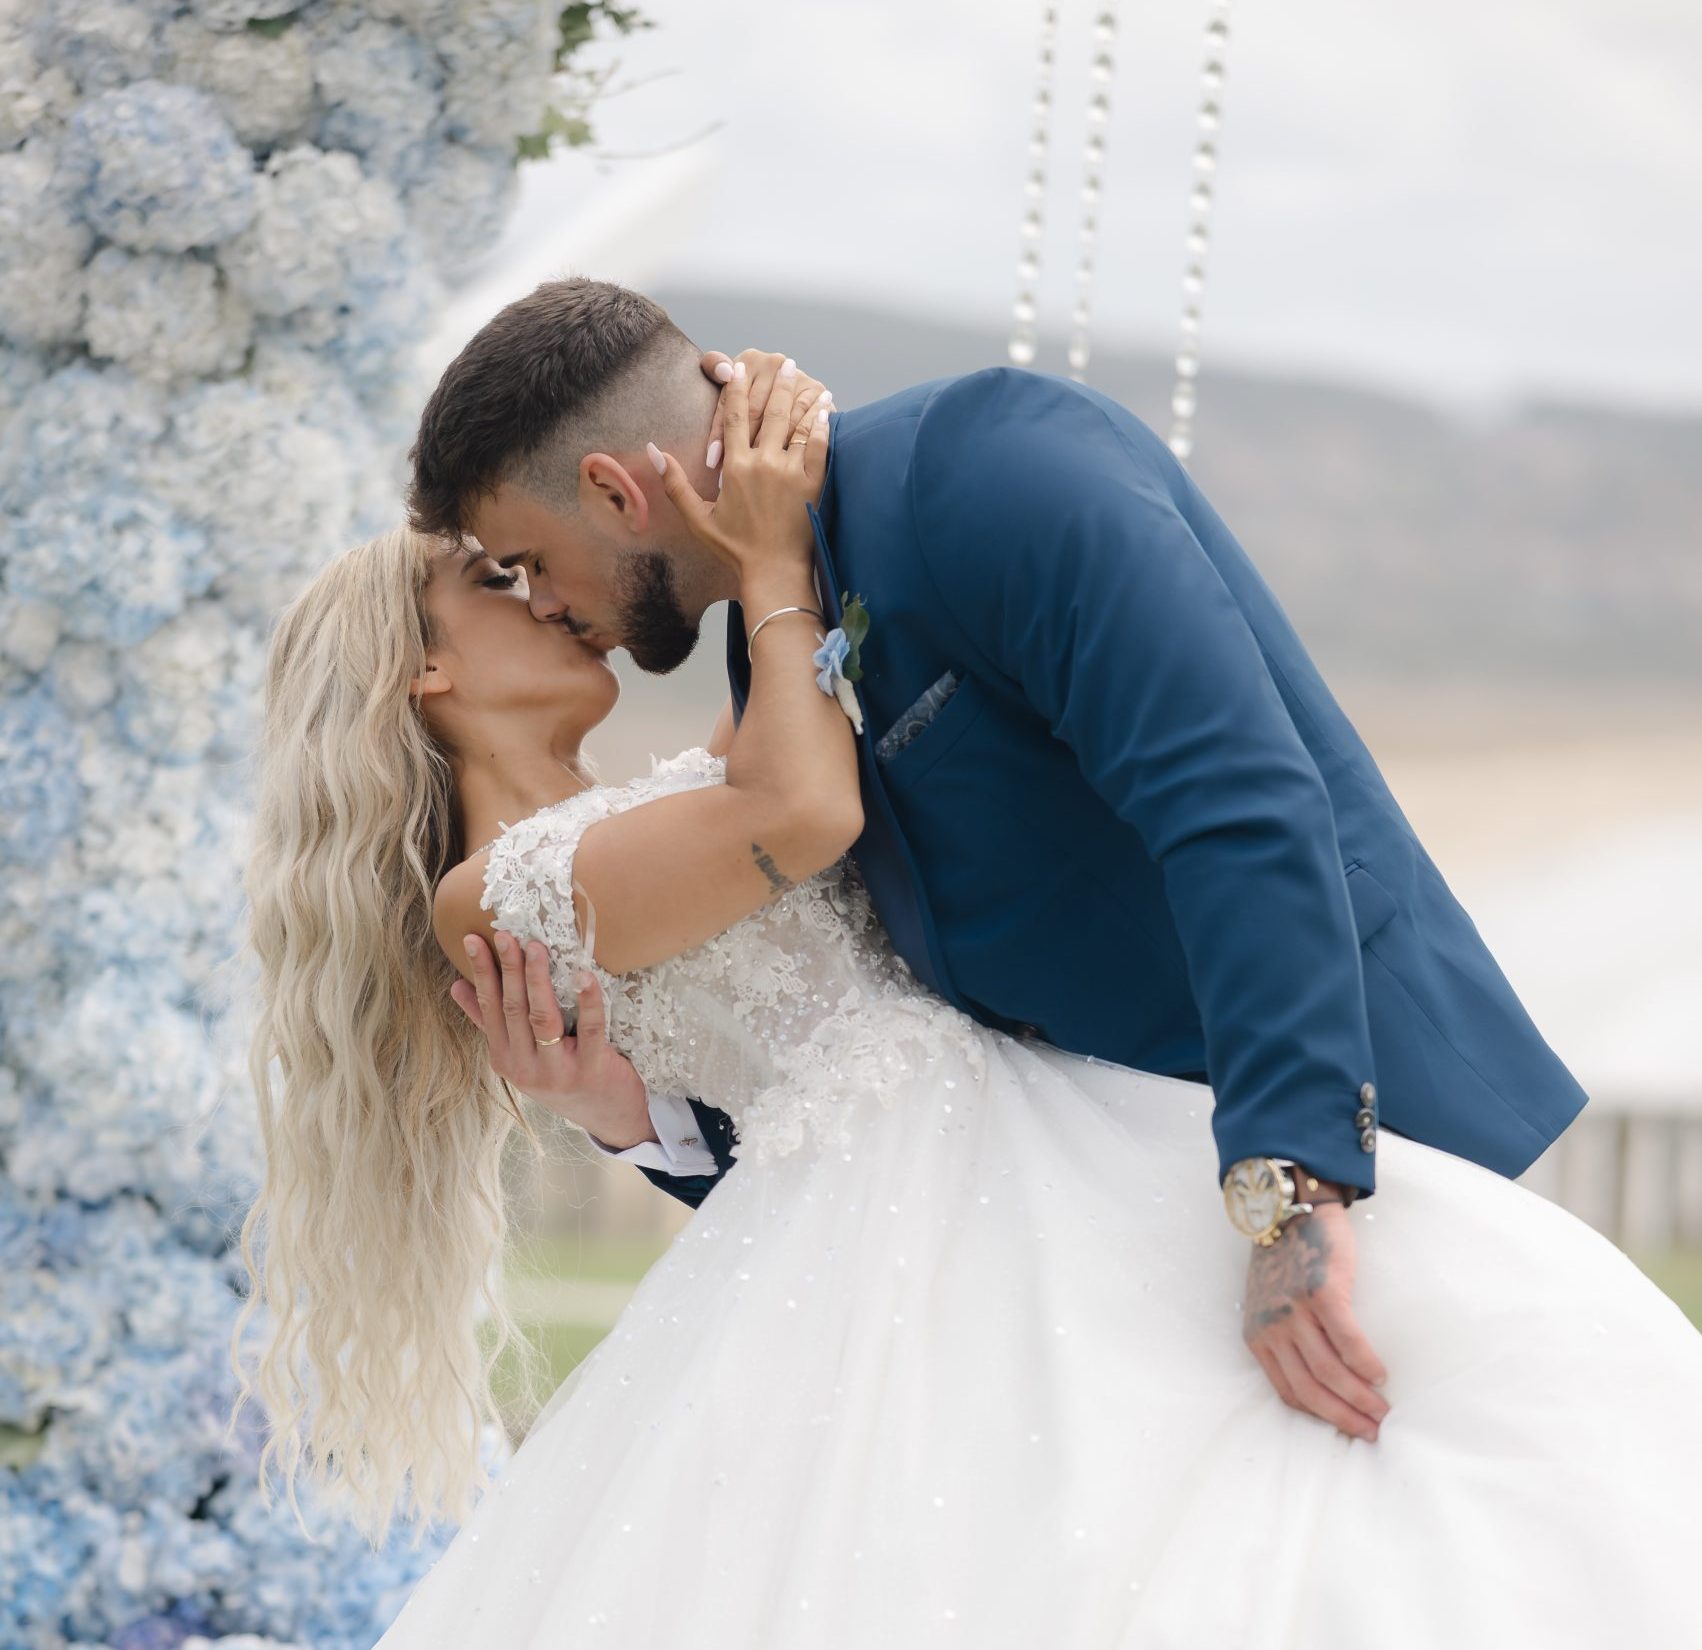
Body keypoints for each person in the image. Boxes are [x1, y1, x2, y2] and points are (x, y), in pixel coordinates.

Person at [236, 348, 1702, 1648]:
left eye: (523, 559)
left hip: (1085, 1161)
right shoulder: (540, 864)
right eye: (495, 583)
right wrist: (771, 567)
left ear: (616, 486)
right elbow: (809, 848)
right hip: (974, 1206)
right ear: (425, 674)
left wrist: (1282, 1185)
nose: (548, 603)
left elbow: (1230, 799)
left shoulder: (954, 494)